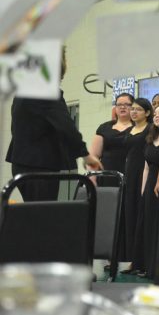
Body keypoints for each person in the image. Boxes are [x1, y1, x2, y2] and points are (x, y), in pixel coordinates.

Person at [5, 47, 102, 201]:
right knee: (44, 215)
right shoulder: (46, 92)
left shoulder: (22, 93)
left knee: (34, 212)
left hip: (21, 163)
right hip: (40, 165)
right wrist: (86, 155)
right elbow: (67, 127)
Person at [133, 105, 159, 278]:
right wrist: (143, 189)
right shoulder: (150, 138)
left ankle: (157, 266)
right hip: (149, 184)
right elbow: (146, 167)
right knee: (147, 223)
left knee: (157, 223)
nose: (157, 116)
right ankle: (145, 265)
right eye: (156, 114)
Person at [122, 97, 153, 273]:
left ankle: (140, 261)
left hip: (142, 174)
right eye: (132, 109)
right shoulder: (131, 128)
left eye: (138, 109)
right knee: (129, 215)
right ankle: (130, 259)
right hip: (129, 174)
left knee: (140, 215)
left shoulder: (150, 129)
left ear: (147, 113)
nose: (133, 112)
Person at [89, 93, 134, 181]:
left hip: (131, 175)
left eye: (126, 104)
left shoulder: (139, 127)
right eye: (119, 105)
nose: (122, 107)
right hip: (106, 175)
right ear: (115, 108)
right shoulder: (104, 127)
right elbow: (94, 156)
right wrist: (92, 179)